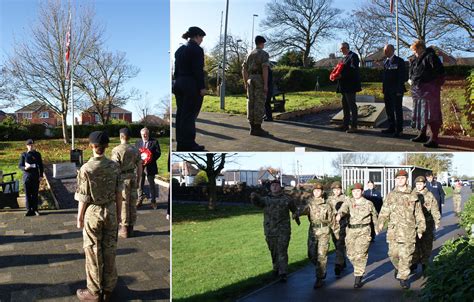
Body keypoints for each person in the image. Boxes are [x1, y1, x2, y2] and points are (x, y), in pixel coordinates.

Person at [75, 131, 122, 302]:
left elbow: (83, 197)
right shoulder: (115, 166)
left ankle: (94, 292)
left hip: (92, 213)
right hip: (110, 211)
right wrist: (118, 214)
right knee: (110, 250)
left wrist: (79, 218)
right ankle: (108, 289)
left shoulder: (86, 169)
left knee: (93, 252)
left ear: (91, 146)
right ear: (107, 146)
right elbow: (119, 194)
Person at [377, 170, 426, 289]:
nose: (400, 180)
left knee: (406, 255)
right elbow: (384, 212)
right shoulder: (391, 195)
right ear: (395, 180)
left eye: (402, 178)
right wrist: (380, 224)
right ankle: (398, 268)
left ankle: (403, 278)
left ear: (406, 180)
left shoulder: (413, 195)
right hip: (393, 231)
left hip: (408, 231)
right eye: (398, 178)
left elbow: (419, 214)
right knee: (393, 254)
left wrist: (420, 229)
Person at [250, 180, 300, 282]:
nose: (274, 187)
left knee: (282, 250)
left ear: (280, 187)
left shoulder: (287, 199)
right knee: (273, 251)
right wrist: (254, 197)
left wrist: (296, 216)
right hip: (270, 230)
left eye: (276, 185)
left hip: (283, 230)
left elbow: (294, 209)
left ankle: (283, 272)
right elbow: (258, 203)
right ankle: (276, 268)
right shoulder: (266, 199)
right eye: (272, 185)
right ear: (270, 188)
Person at [337, 183, 379, 288]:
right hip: (351, 231)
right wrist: (340, 214)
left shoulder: (368, 203)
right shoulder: (349, 202)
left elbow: (374, 216)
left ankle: (358, 276)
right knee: (351, 255)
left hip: (364, 231)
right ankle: (358, 268)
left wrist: (377, 227)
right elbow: (343, 209)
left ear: (362, 192)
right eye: (354, 191)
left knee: (361, 254)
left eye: (358, 191)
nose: (356, 193)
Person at [173, 26, 207, 151]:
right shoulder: (196, 50)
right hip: (191, 84)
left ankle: (181, 142)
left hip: (179, 83)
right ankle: (189, 143)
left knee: (181, 114)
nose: (202, 40)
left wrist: (177, 81)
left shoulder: (180, 50)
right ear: (197, 36)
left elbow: (175, 70)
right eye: (201, 37)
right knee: (189, 115)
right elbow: (198, 70)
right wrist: (202, 87)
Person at [295, 183, 334, 289]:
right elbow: (303, 210)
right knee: (311, 254)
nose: (317, 192)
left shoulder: (327, 204)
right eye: (315, 191)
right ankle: (320, 268)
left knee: (322, 255)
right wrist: (297, 213)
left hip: (324, 231)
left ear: (322, 192)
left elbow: (332, 219)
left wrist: (336, 232)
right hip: (313, 231)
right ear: (313, 192)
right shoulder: (309, 203)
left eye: (319, 190)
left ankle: (319, 277)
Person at [409, 40, 445, 148]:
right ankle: (422, 134)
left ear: (420, 48)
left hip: (430, 91)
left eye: (415, 50)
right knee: (421, 113)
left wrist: (433, 86)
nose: (414, 53)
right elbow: (412, 72)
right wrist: (411, 79)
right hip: (418, 90)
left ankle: (434, 139)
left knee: (431, 114)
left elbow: (440, 72)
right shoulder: (415, 59)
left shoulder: (431, 56)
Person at [111, 128, 142, 238]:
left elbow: (115, 167)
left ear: (121, 136)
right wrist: (138, 180)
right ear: (130, 137)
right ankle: (131, 228)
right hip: (133, 178)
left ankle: (124, 230)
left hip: (122, 179)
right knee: (132, 203)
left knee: (123, 203)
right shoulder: (135, 150)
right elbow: (139, 167)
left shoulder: (117, 150)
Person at [411, 176, 441, 276]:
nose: (419, 186)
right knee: (414, 244)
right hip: (414, 223)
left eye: (421, 184)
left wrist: (437, 221)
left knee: (426, 244)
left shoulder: (429, 195)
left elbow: (434, 209)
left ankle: (425, 264)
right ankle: (414, 264)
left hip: (428, 223)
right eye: (417, 184)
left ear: (424, 184)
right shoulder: (411, 194)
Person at [242, 35, 270, 136]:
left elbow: (244, 69)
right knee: (259, 102)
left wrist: (245, 82)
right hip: (259, 79)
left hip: (250, 79)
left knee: (250, 102)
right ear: (262, 43)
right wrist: (266, 84)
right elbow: (265, 69)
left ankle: (252, 127)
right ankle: (257, 127)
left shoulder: (248, 54)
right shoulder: (263, 54)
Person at [335, 42, 361, 133]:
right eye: (340, 49)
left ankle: (354, 126)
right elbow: (339, 69)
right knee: (345, 105)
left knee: (352, 105)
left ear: (346, 47)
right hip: (343, 86)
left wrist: (342, 75)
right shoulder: (343, 58)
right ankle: (345, 124)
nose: (340, 50)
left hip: (350, 86)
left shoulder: (353, 56)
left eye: (341, 49)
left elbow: (353, 70)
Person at [381, 44, 407, 137]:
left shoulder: (399, 61)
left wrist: (399, 90)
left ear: (392, 50)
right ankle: (391, 127)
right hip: (387, 90)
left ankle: (399, 130)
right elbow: (385, 77)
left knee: (398, 110)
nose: (384, 52)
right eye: (384, 50)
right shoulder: (385, 62)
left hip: (396, 90)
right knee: (389, 110)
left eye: (386, 50)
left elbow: (402, 76)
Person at [135, 127, 161, 209]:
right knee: (140, 184)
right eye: (143, 134)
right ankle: (140, 200)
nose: (144, 136)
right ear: (141, 135)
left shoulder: (154, 142)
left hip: (151, 166)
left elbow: (158, 153)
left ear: (148, 134)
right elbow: (135, 154)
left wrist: (150, 159)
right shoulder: (137, 143)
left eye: (146, 134)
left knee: (151, 184)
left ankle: (153, 202)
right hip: (140, 167)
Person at [18, 139, 44, 216]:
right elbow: (20, 165)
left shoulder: (37, 154)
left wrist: (41, 175)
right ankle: (29, 209)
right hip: (27, 176)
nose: (31, 146)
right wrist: (25, 168)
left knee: (35, 193)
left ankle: (35, 209)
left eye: (32, 145)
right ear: (27, 146)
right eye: (29, 145)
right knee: (27, 194)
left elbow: (41, 165)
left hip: (35, 176)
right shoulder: (24, 154)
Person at [327, 181, 348, 276]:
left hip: (343, 224)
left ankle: (338, 265)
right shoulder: (329, 200)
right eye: (334, 190)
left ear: (341, 189)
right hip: (333, 225)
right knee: (337, 245)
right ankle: (342, 261)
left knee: (340, 244)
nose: (336, 191)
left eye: (338, 189)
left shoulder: (346, 199)